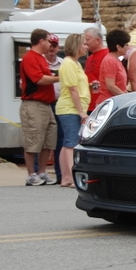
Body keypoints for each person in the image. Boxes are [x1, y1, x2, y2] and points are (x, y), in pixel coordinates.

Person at [19, 28, 60, 186]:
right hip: (33, 103)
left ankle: (42, 172)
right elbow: (38, 80)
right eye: (49, 40)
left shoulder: (41, 58)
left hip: (45, 104)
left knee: (48, 140)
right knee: (33, 138)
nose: (50, 44)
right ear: (41, 41)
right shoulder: (30, 58)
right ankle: (31, 174)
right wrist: (59, 77)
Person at [55, 33, 90, 188]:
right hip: (70, 108)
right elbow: (73, 89)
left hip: (71, 107)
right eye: (84, 43)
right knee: (72, 143)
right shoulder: (69, 64)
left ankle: (66, 177)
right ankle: (71, 176)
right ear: (76, 46)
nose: (86, 46)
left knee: (67, 142)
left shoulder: (75, 63)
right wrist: (81, 111)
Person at [43, 33, 64, 184]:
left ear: (58, 47)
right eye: (50, 45)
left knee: (60, 140)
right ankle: (39, 173)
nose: (52, 48)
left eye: (54, 45)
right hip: (44, 103)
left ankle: (60, 175)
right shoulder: (40, 62)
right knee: (43, 139)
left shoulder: (63, 63)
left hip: (60, 103)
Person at [98, 29, 130, 101]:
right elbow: (110, 86)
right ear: (118, 47)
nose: (128, 47)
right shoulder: (110, 61)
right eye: (126, 45)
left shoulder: (116, 60)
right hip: (110, 101)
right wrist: (126, 97)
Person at [83, 26, 108, 113]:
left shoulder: (107, 56)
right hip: (89, 103)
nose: (85, 43)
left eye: (87, 40)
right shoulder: (89, 58)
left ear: (97, 40)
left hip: (100, 103)